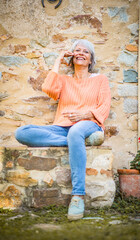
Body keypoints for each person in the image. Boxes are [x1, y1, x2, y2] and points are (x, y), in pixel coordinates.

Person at [15, 39, 111, 220]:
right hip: (62, 128)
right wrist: (59, 59)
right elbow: (48, 88)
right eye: (77, 51)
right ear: (72, 56)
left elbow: (104, 108)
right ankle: (79, 142)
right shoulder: (65, 81)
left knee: (76, 132)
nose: (81, 53)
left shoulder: (100, 79)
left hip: (89, 123)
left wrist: (84, 115)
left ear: (90, 60)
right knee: (21, 133)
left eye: (86, 52)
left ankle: (78, 196)